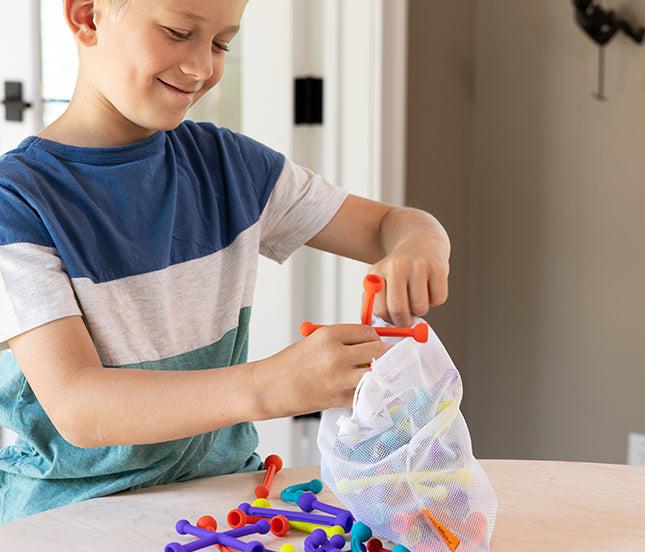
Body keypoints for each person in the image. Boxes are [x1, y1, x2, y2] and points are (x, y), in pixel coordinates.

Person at [0, 0, 450, 523]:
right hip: (68, 520)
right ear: (86, 16)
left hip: (222, 509)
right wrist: (270, 386)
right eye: (177, 32)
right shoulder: (16, 203)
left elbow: (389, 224)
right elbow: (79, 405)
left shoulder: (230, 166)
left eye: (220, 44)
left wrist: (420, 246)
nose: (201, 68)